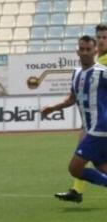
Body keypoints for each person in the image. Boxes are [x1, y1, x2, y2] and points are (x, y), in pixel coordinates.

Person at [41, 35, 107, 196]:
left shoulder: (102, 73)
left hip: (99, 128)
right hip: (90, 128)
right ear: (77, 51)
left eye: (88, 49)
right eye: (82, 49)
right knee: (102, 167)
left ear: (95, 51)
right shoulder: (76, 73)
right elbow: (72, 98)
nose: (85, 52)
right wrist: (53, 108)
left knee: (75, 168)